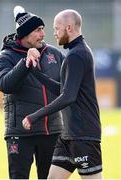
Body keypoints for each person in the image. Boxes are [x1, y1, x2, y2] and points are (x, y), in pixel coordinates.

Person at [22, 9, 103, 179]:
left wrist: (34, 116)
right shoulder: (74, 53)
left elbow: (68, 96)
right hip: (68, 137)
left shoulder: (78, 54)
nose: (54, 33)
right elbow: (64, 90)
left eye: (57, 28)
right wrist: (35, 73)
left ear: (69, 28)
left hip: (84, 137)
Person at [0, 5, 64, 179]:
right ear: (25, 34)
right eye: (38, 30)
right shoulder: (5, 57)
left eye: (43, 29)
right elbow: (5, 85)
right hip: (20, 133)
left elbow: (67, 89)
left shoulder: (54, 54)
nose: (43, 34)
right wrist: (25, 62)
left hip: (52, 131)